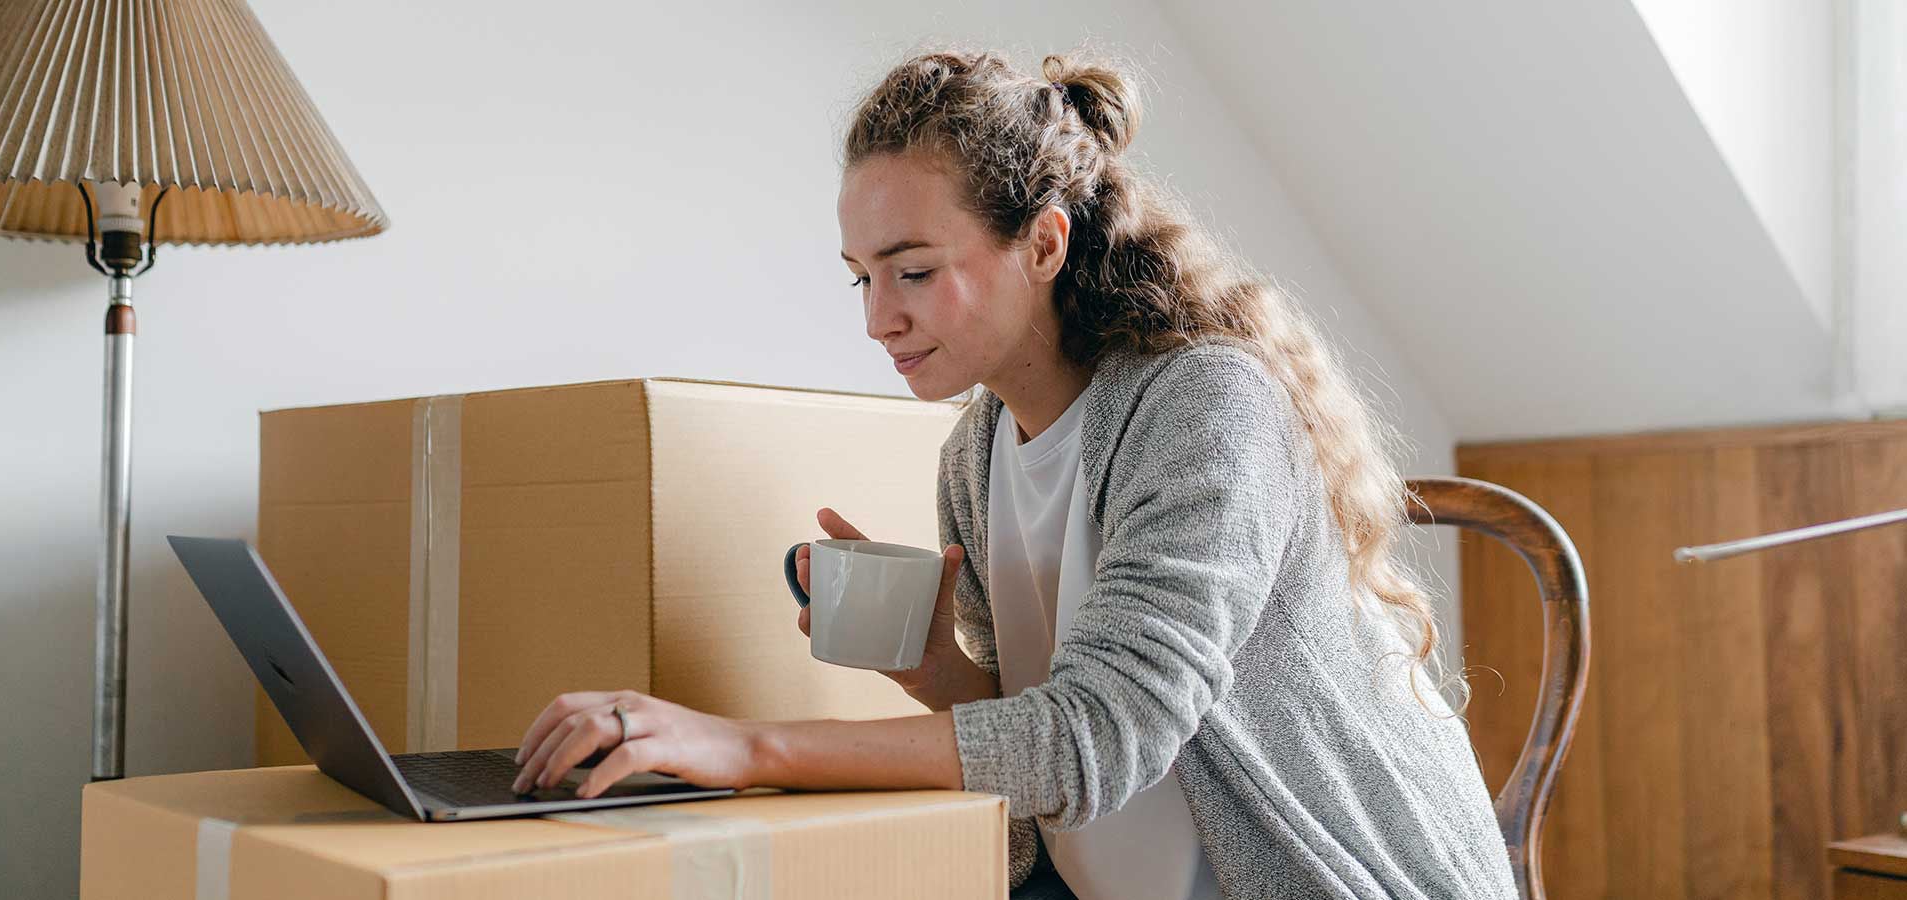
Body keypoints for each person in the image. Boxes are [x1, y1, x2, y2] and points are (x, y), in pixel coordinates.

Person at [511, 49, 1518, 900]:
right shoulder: (977, 453)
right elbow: (1048, 732)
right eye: (862, 277)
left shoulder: (1204, 408)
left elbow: (1099, 738)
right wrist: (940, 674)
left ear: (1042, 242)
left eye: (912, 269)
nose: (877, 317)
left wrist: (739, 748)